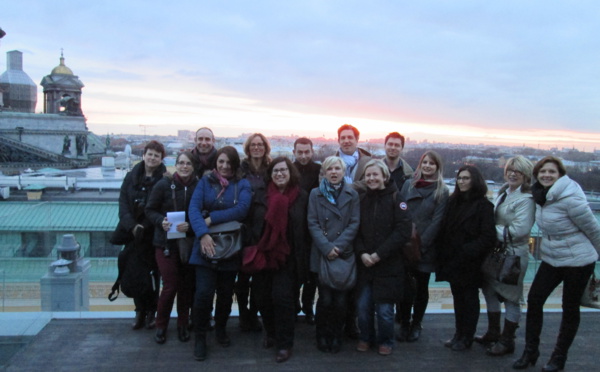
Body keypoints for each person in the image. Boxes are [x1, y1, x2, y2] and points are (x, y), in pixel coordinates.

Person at [513, 156, 600, 372]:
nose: (546, 175)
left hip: (579, 260)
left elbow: (593, 229)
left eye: (551, 172)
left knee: (569, 308)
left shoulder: (570, 198)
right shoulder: (540, 195)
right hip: (552, 257)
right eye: (542, 172)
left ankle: (559, 358)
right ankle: (530, 351)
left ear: (560, 174)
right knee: (534, 300)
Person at [188, 146, 252, 361]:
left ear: (235, 165)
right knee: (204, 294)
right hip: (205, 246)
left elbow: (242, 209)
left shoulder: (242, 184)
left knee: (225, 294)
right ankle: (200, 335)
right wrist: (203, 234)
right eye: (221, 162)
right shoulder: (205, 182)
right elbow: (193, 209)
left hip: (230, 247)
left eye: (229, 163)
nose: (224, 166)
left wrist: (212, 218)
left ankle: (221, 329)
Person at [247, 157, 310, 363]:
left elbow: (307, 229)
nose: (280, 174)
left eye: (283, 170)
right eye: (275, 171)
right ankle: (271, 332)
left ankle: (285, 344)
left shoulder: (302, 197)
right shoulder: (260, 195)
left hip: (289, 258)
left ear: (290, 172)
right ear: (270, 174)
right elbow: (249, 221)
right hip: (263, 255)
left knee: (283, 300)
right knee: (262, 298)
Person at [476, 156, 535, 356]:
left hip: (514, 255)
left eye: (517, 171)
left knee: (511, 298)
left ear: (526, 176)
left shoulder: (527, 200)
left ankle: (507, 339)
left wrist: (489, 229)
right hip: (497, 253)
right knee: (490, 291)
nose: (512, 174)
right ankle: (494, 332)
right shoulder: (503, 193)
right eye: (510, 170)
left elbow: (519, 230)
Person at [436, 165, 496, 351]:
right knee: (457, 298)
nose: (462, 181)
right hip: (452, 260)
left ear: (475, 180)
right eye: (460, 178)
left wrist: (467, 251)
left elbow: (488, 237)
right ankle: (458, 334)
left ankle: (466, 337)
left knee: (469, 299)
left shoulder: (484, 206)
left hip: (470, 262)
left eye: (466, 178)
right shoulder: (453, 202)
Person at [355, 159, 411, 356]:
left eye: (375, 174)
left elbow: (403, 232)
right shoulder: (362, 200)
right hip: (366, 265)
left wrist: (379, 254)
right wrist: (362, 253)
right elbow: (356, 231)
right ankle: (365, 337)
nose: (371, 178)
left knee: (385, 311)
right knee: (363, 307)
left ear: (385, 176)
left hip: (389, 265)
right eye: (368, 175)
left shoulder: (397, 198)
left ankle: (386, 339)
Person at [308, 156, 360, 353]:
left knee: (340, 301)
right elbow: (312, 223)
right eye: (330, 169)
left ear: (343, 171)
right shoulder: (315, 194)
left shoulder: (352, 194)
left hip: (343, 253)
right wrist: (327, 247)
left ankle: (337, 335)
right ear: (325, 172)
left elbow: (354, 222)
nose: (334, 172)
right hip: (323, 254)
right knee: (325, 299)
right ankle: (322, 335)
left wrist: (337, 246)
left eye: (337, 168)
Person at [146, 151, 198, 344]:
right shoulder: (163, 185)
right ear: (176, 165)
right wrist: (161, 221)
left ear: (193, 166)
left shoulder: (198, 186)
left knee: (186, 287)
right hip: (165, 243)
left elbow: (204, 212)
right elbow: (149, 210)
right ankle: (161, 325)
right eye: (181, 163)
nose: (184, 166)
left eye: (188, 164)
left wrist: (191, 226)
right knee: (170, 286)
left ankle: (183, 324)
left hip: (188, 243)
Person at [397, 151, 449, 342]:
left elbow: (437, 222)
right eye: (424, 162)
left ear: (438, 167)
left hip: (425, 248)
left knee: (421, 288)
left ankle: (416, 323)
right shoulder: (408, 185)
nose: (427, 166)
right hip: (404, 245)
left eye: (432, 164)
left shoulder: (442, 191)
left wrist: (420, 246)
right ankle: (403, 322)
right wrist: (403, 241)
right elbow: (400, 212)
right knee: (404, 288)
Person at [117, 140, 167, 330]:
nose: (152, 158)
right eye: (150, 154)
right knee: (136, 273)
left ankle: (152, 312)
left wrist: (145, 226)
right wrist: (132, 226)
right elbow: (123, 204)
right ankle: (140, 311)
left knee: (153, 276)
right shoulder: (131, 177)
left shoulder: (164, 179)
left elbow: (162, 207)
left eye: (157, 155)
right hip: (133, 235)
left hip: (153, 235)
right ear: (144, 155)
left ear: (161, 158)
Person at [236, 133, 272, 332]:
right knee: (242, 276)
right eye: (253, 145)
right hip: (243, 226)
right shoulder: (241, 170)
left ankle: (254, 314)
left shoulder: (270, 168)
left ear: (265, 148)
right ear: (248, 148)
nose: (257, 148)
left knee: (259, 276)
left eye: (260, 145)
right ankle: (243, 314)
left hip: (264, 227)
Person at [292, 137, 321, 324]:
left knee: (312, 273)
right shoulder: (288, 169)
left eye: (306, 152)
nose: (303, 155)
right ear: (294, 152)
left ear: (312, 152)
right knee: (294, 271)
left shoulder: (319, 171)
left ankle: (308, 305)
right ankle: (294, 305)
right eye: (300, 152)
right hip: (293, 228)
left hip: (314, 229)